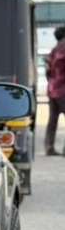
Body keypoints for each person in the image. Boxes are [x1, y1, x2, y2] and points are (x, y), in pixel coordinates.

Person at [45, 25, 65, 155]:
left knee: (52, 120)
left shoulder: (53, 50)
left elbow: (48, 70)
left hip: (52, 88)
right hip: (63, 88)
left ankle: (49, 147)